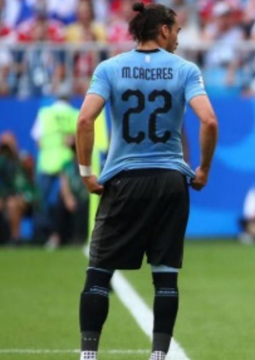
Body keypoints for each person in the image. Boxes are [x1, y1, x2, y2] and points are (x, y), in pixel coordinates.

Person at [75, 3, 218, 360]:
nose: (179, 39)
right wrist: (202, 170)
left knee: (98, 272)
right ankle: (158, 356)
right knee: (165, 276)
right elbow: (210, 122)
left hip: (124, 179)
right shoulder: (185, 70)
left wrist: (86, 173)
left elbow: (84, 121)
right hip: (170, 180)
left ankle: (88, 355)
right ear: (164, 30)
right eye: (178, 32)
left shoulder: (109, 68)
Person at [30, 89, 79, 245]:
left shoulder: (45, 113)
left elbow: (37, 138)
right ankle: (64, 235)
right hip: (67, 162)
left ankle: (42, 235)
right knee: (65, 200)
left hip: (47, 162)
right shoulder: (74, 114)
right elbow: (80, 139)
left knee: (42, 202)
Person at [0, 132, 34, 245]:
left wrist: (14, 153)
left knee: (12, 204)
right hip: (3, 195)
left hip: (22, 195)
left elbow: (32, 176)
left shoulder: (24, 156)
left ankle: (15, 238)